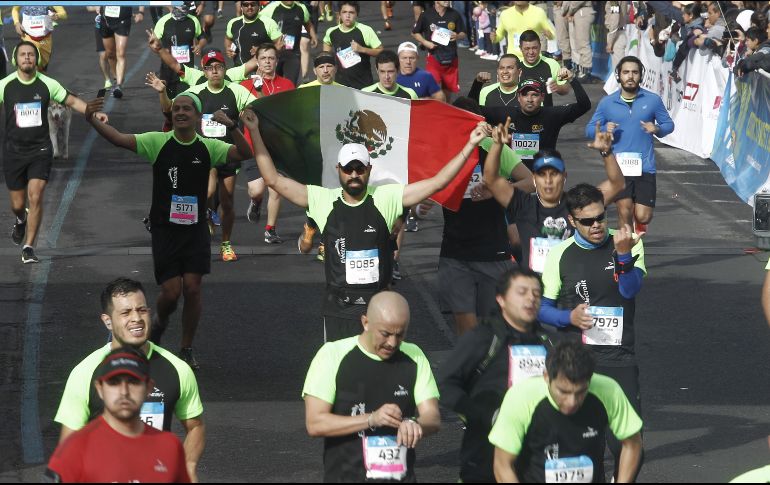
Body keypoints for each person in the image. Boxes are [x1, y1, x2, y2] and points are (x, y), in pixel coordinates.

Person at [245, 107, 490, 341]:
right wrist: (255, 130)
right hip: (338, 307)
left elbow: (437, 182)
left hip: (379, 307)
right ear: (338, 169)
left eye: (359, 168)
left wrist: (470, 144)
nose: (354, 174)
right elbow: (273, 179)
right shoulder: (322, 200)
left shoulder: (386, 197)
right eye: (348, 169)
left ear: (369, 169)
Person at [83, 92, 252, 367]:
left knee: (194, 289)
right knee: (172, 292)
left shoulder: (208, 147)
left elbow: (245, 153)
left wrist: (232, 127)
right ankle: (159, 324)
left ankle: (186, 347)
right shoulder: (157, 142)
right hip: (165, 230)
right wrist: (90, 118)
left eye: (187, 108)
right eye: (176, 109)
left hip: (196, 229)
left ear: (197, 116)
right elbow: (118, 138)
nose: (181, 112)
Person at [538, 183, 646, 480]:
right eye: (587, 221)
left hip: (619, 357)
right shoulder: (560, 254)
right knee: (585, 448)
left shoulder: (627, 242)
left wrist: (623, 256)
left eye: (601, 217)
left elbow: (629, 289)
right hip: (578, 360)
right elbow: (541, 308)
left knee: (629, 445)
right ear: (572, 221)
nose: (596, 225)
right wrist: (568, 317)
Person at [54, 278, 204, 481]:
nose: (136, 318)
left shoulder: (177, 369)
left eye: (142, 310)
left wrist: (188, 465)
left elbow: (195, 426)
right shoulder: (85, 373)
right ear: (108, 321)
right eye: (126, 313)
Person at [302, 291, 441, 482]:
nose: (392, 343)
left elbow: (432, 417)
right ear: (365, 322)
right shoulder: (332, 356)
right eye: (385, 334)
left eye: (400, 335)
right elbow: (315, 423)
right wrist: (371, 419)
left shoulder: (415, 356)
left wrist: (416, 425)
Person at [438, 267, 555, 482]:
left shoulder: (546, 341)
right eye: (522, 292)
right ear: (501, 299)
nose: (531, 299)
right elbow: (445, 384)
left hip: (534, 456)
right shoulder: (484, 337)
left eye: (536, 294)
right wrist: (483, 414)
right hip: (485, 454)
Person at [1, 41, 108, 264]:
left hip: (40, 149)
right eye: (23, 55)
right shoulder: (5, 85)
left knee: (36, 195)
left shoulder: (48, 84)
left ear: (37, 59)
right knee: (18, 204)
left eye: (31, 54)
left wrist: (94, 114)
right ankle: (21, 220)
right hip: (13, 151)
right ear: (16, 59)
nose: (28, 58)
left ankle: (29, 247)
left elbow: (72, 101)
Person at [437, 96, 534, 335]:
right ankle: (468, 368)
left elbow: (531, 181)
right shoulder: (444, 150)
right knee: (464, 321)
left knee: (493, 323)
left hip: (493, 250)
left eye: (470, 123)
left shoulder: (493, 147)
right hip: (455, 251)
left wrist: (496, 190)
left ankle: (490, 368)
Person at [489, 340, 643, 483]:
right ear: (546, 377)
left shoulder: (608, 390)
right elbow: (502, 465)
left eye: (581, 392)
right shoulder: (521, 397)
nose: (572, 402)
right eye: (563, 392)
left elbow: (633, 444)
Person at [483, 118, 624, 274]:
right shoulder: (523, 203)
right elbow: (491, 180)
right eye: (542, 175)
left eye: (554, 174)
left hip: (571, 288)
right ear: (534, 179)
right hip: (535, 291)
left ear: (564, 176)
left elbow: (617, 184)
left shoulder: (578, 203)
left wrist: (607, 152)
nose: (548, 181)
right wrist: (497, 145)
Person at [46, 347, 191, 483]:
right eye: (114, 382)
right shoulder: (75, 449)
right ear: (100, 388)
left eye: (133, 381)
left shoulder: (170, 447)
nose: (124, 391)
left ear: (148, 388)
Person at [177, 48, 258, 260]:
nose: (214, 71)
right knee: (209, 191)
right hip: (204, 153)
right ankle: (206, 217)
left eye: (219, 67)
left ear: (224, 69)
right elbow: (175, 107)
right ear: (204, 71)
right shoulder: (196, 92)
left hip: (229, 154)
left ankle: (226, 244)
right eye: (210, 68)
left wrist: (247, 112)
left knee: (228, 201)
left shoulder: (235, 90)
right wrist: (161, 93)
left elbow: (254, 106)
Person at [586, 55, 675, 234]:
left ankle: (638, 227)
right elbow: (589, 130)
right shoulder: (608, 102)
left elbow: (669, 125)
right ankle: (625, 256)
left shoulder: (652, 100)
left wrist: (656, 128)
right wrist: (604, 128)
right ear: (618, 75)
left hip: (645, 167)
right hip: (619, 169)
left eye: (635, 72)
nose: (630, 76)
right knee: (624, 210)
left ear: (641, 75)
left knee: (643, 216)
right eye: (626, 72)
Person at [241, 43, 295, 244]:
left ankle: (270, 229)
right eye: (263, 58)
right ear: (257, 61)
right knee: (256, 190)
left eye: (271, 58)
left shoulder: (287, 85)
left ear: (276, 61)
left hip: (276, 146)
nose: (267, 62)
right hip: (253, 145)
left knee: (276, 188)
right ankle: (256, 202)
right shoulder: (246, 86)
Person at [483, 74, 590, 171]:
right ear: (519, 97)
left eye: (534, 95)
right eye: (525, 95)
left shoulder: (553, 115)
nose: (529, 99)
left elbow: (584, 105)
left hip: (543, 176)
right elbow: (471, 109)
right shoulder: (507, 115)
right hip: (514, 175)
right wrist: (477, 84)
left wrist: (572, 79)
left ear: (542, 97)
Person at [411, 0, 466, 101]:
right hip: (434, 58)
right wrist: (425, 42)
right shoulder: (426, 15)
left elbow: (463, 32)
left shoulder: (454, 14)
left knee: (447, 90)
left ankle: (445, 109)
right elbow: (415, 33)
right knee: (432, 89)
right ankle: (434, 111)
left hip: (451, 58)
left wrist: (458, 35)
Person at [322, 1, 383, 89]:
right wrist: (327, 58)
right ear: (339, 14)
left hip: (363, 84)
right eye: (344, 12)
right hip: (341, 83)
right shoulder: (332, 32)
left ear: (356, 14)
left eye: (351, 12)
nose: (347, 16)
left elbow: (380, 51)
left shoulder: (365, 30)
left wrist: (362, 49)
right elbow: (326, 44)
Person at [153, 2, 207, 99]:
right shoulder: (163, 22)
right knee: (169, 104)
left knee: (185, 100)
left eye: (186, 7)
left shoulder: (193, 20)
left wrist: (199, 45)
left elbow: (202, 37)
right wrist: (158, 50)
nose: (184, 10)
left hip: (186, 70)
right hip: (168, 70)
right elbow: (154, 44)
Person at [260, 0, 318, 87]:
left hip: (293, 54)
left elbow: (307, 22)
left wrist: (313, 36)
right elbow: (258, 22)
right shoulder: (271, 8)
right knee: (271, 84)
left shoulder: (301, 8)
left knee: (290, 85)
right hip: (274, 55)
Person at [99, 4, 145, 98]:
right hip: (106, 19)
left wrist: (141, 12)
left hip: (122, 19)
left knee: (121, 53)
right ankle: (116, 78)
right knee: (110, 54)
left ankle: (119, 86)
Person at [517, 29, 570, 107]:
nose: (531, 52)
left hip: (545, 115)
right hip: (521, 116)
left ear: (540, 46)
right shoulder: (515, 66)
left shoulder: (553, 63)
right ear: (520, 48)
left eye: (534, 48)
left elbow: (567, 87)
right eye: (527, 49)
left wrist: (558, 87)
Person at [224, 0, 282, 67]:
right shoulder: (233, 23)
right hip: (239, 70)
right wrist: (228, 48)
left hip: (262, 71)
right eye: (246, 5)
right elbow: (228, 38)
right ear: (241, 7)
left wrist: (262, 50)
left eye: (253, 4)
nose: (249, 7)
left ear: (258, 6)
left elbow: (280, 45)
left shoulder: (269, 23)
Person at [12, 5, 67, 72]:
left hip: (45, 39)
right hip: (28, 36)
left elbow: (64, 14)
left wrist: (57, 15)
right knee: (29, 67)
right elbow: (15, 9)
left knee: (41, 69)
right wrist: (17, 23)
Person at [561, 1, 596, 82]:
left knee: (583, 44)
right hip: (579, 11)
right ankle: (582, 71)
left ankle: (586, 73)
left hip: (583, 11)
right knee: (579, 44)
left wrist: (569, 12)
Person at [605, 1, 629, 79]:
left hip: (616, 35)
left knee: (618, 69)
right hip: (621, 32)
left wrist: (610, 42)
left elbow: (615, 18)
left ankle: (621, 90)